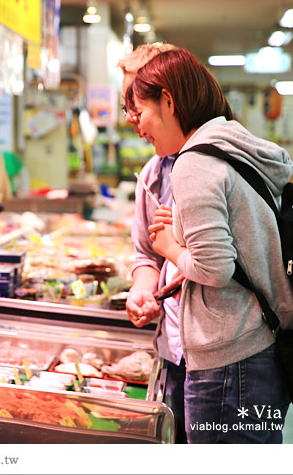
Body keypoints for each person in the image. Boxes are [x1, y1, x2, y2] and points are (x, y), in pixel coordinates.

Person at [130, 47, 293, 443]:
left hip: (228, 362)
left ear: (169, 101)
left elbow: (215, 268)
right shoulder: (232, 146)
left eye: (142, 111)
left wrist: (171, 247)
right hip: (259, 347)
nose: (138, 126)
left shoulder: (194, 162)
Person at [119, 43, 189, 444]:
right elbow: (146, 251)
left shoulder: (212, 166)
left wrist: (176, 249)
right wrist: (142, 291)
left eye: (136, 102)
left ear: (168, 98)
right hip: (171, 349)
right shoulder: (152, 172)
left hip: (219, 359)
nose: (131, 117)